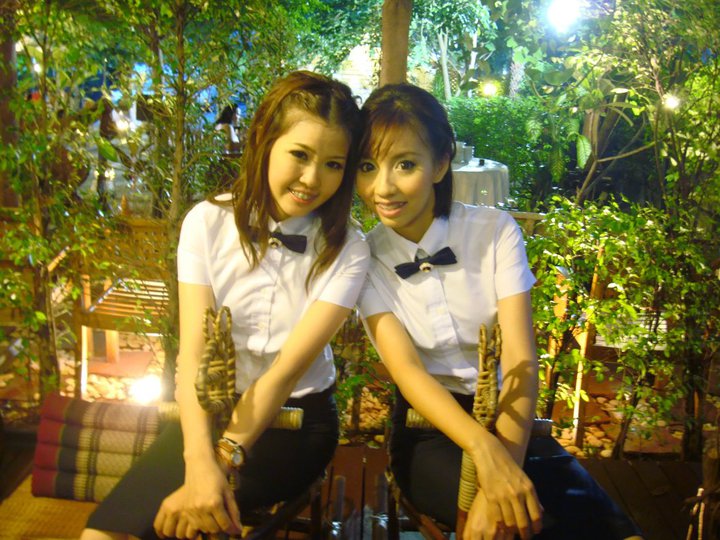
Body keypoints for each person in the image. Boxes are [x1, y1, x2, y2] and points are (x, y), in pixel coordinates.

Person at [81, 70, 369, 540]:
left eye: (333, 164)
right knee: (104, 533)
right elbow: (194, 354)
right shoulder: (206, 223)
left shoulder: (348, 248)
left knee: (182, 520)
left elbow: (284, 373)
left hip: (296, 423)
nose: (313, 178)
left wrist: (221, 459)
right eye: (300, 154)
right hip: (208, 413)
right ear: (264, 141)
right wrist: (200, 461)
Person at [355, 83, 643, 540]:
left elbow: (521, 360)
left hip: (512, 418)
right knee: (525, 526)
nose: (382, 187)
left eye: (405, 164)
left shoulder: (494, 232)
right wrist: (485, 457)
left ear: (441, 164)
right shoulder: (364, 258)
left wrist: (501, 466)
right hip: (430, 427)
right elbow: (408, 374)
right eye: (367, 166)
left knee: (609, 529)